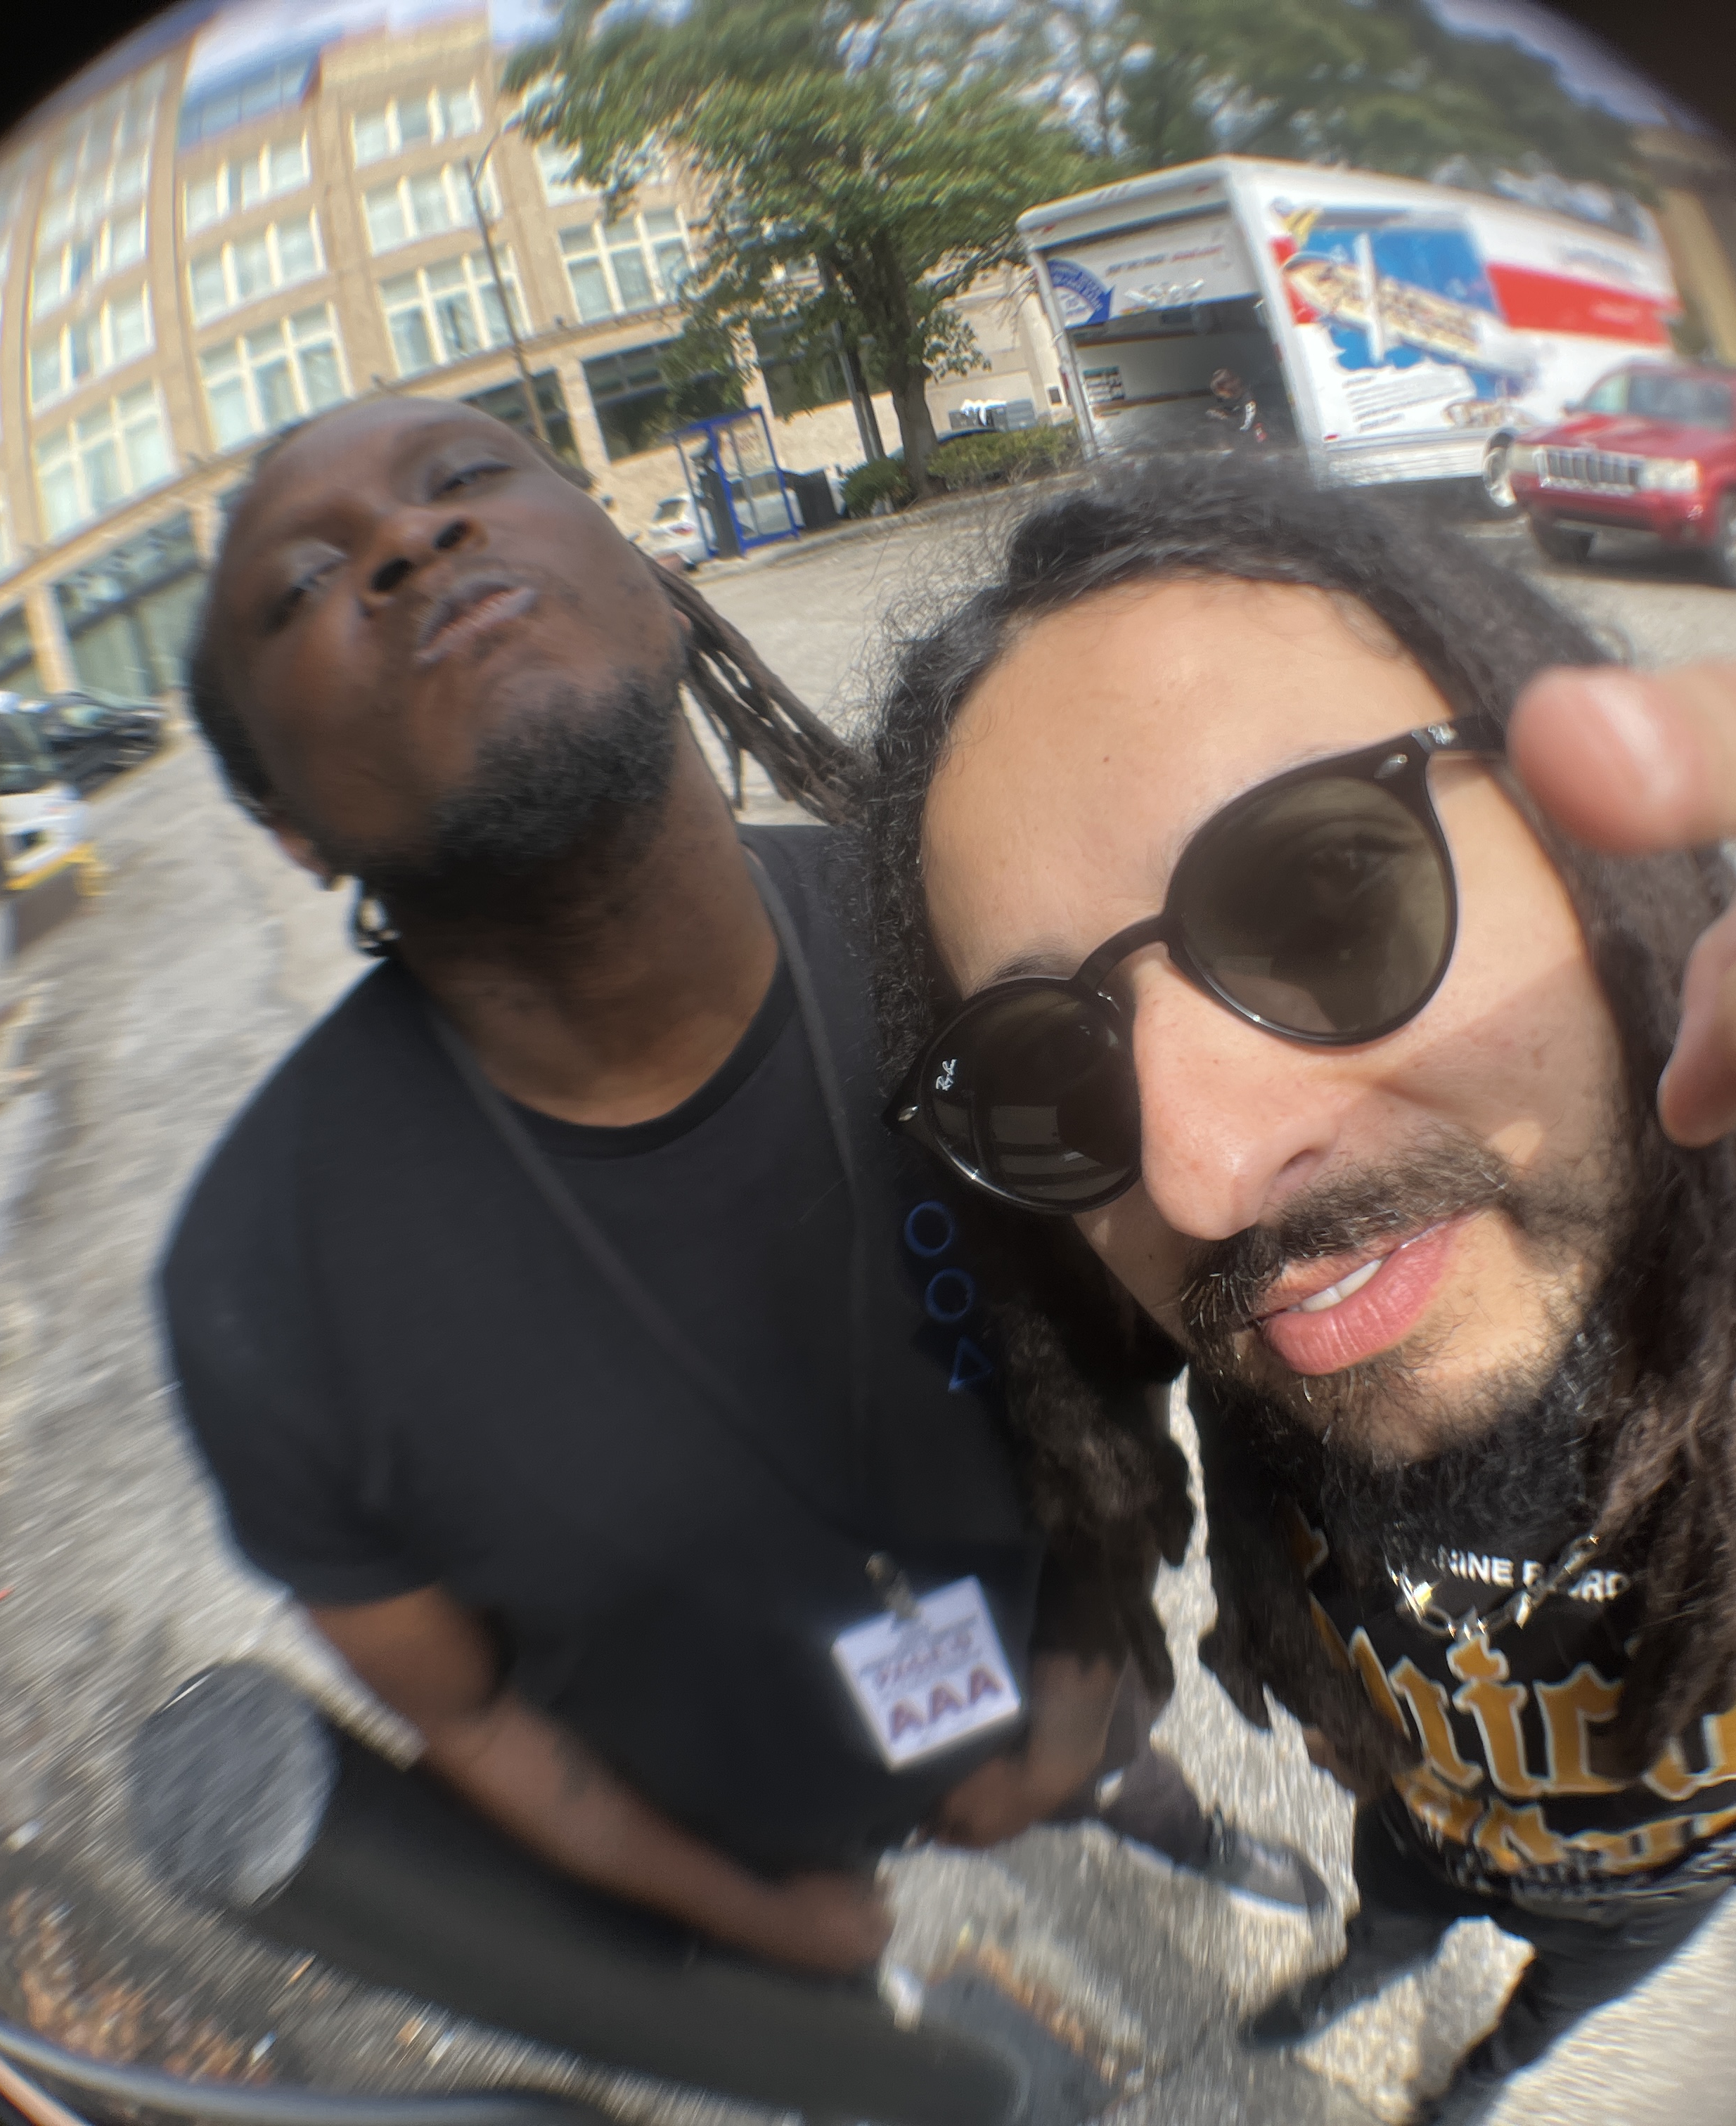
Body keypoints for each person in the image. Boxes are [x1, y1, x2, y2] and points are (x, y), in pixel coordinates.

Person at [857, 453, 1736, 2120]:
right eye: (1046, 1070)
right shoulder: (1283, 1302)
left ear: (1591, 840)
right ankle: (1373, 1959)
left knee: (1551, 2005)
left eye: (1322, 898)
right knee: (1398, 1907)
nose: (1200, 1174)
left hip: (1651, 1896)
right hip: (1424, 1822)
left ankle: (1485, 2079)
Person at [155, 401, 1320, 2023]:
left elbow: (1133, 1338)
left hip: (1055, 1662)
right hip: (752, 1822)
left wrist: (1084, 1666)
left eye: (466, 479)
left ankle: (1166, 1819)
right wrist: (754, 1919)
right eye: (303, 584)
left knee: (1118, 1767)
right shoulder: (255, 1285)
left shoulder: (970, 956)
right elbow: (469, 1715)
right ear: (290, 821)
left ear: (649, 578)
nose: (412, 541)